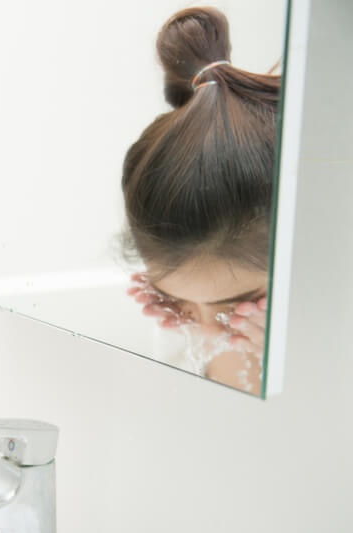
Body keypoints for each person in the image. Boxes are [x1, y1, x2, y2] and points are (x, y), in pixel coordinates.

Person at [121, 5, 280, 395]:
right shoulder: (180, 333)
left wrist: (308, 364)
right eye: (178, 300)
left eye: (234, 307)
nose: (206, 329)